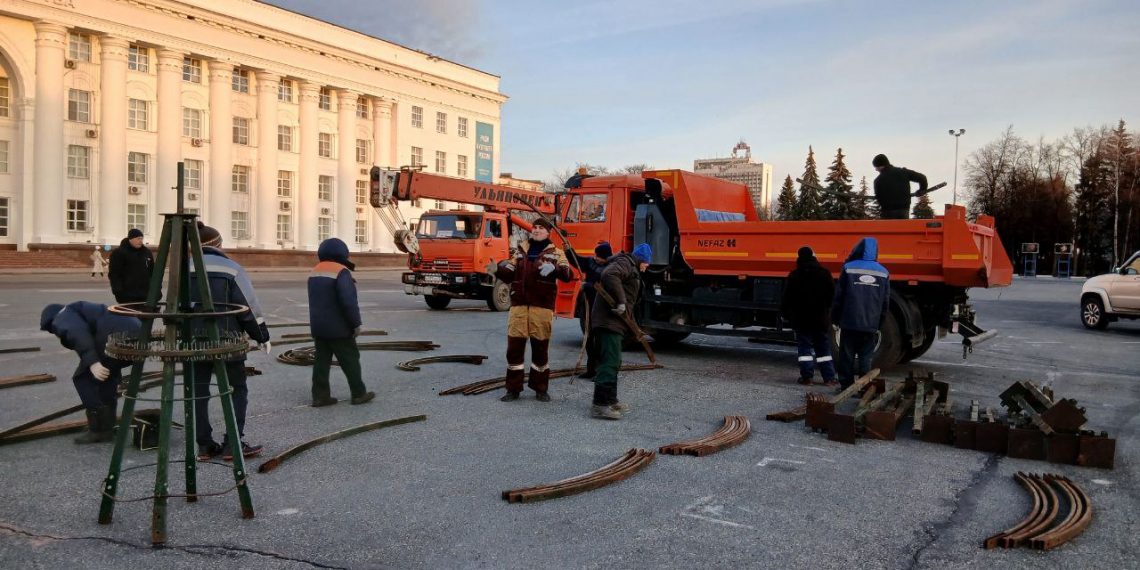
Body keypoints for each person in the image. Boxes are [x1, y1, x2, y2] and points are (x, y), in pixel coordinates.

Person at [188, 222, 270, 461]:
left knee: (199, 392)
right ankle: (233, 444)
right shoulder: (231, 268)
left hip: (194, 342)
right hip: (228, 340)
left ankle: (204, 445)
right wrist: (261, 335)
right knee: (236, 389)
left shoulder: (184, 269)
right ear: (218, 244)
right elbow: (248, 307)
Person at [494, 218, 574, 402]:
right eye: (534, 227)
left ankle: (540, 388)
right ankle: (513, 389)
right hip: (519, 306)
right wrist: (496, 270)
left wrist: (553, 269)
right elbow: (509, 272)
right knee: (514, 349)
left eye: (541, 228)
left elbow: (567, 274)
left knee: (540, 349)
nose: (536, 230)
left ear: (548, 232)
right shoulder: (520, 252)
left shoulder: (557, 252)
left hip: (542, 307)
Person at [40, 302, 140, 443]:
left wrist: (93, 362)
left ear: (51, 321)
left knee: (83, 379)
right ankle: (107, 427)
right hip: (137, 334)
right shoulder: (82, 311)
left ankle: (99, 430)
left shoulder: (63, 316)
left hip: (116, 336)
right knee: (106, 378)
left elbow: (76, 332)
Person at [307, 237, 374, 407]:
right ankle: (359, 393)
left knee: (321, 362)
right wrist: (356, 324)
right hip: (339, 329)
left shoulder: (315, 271)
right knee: (350, 359)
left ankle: (320, 396)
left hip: (319, 328)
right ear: (342, 253)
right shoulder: (341, 272)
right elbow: (348, 302)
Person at [589, 243, 652, 420]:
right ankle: (600, 405)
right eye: (647, 262)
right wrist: (621, 301)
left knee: (614, 361)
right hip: (608, 322)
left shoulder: (629, 265)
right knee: (610, 361)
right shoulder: (626, 263)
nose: (647, 266)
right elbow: (609, 275)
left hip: (614, 322)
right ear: (641, 259)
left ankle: (610, 400)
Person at [831, 237, 890, 391]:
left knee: (847, 356)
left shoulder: (849, 268)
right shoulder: (883, 272)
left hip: (850, 321)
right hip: (870, 323)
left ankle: (846, 386)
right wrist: (879, 323)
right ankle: (864, 387)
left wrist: (835, 318)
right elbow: (885, 302)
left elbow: (839, 297)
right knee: (865, 356)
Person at [780, 246, 838, 387]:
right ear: (814, 256)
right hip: (820, 318)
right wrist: (831, 314)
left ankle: (807, 378)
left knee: (804, 348)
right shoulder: (824, 274)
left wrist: (785, 315)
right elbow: (832, 296)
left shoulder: (794, 275)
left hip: (801, 319)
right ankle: (829, 378)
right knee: (823, 348)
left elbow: (787, 298)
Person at [578, 241, 613, 379]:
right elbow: (578, 260)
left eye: (598, 255)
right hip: (589, 308)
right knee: (588, 339)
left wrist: (588, 286)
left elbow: (604, 290)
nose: (595, 257)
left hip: (601, 311)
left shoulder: (610, 270)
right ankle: (591, 369)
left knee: (600, 342)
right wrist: (568, 250)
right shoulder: (593, 263)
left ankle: (599, 371)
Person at [872, 154, 928, 220]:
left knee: (889, 230)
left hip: (887, 212)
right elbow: (922, 178)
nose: (876, 169)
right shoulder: (903, 172)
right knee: (903, 229)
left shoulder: (878, 180)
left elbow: (879, 197)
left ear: (881, 165)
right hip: (904, 210)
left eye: (876, 167)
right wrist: (922, 190)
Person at [108, 228, 155, 303]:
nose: (140, 241)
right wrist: (118, 291)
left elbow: (153, 272)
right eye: (138, 238)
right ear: (130, 239)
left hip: (145, 295)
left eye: (141, 239)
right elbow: (114, 274)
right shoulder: (119, 253)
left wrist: (156, 291)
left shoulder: (146, 252)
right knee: (128, 314)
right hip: (127, 295)